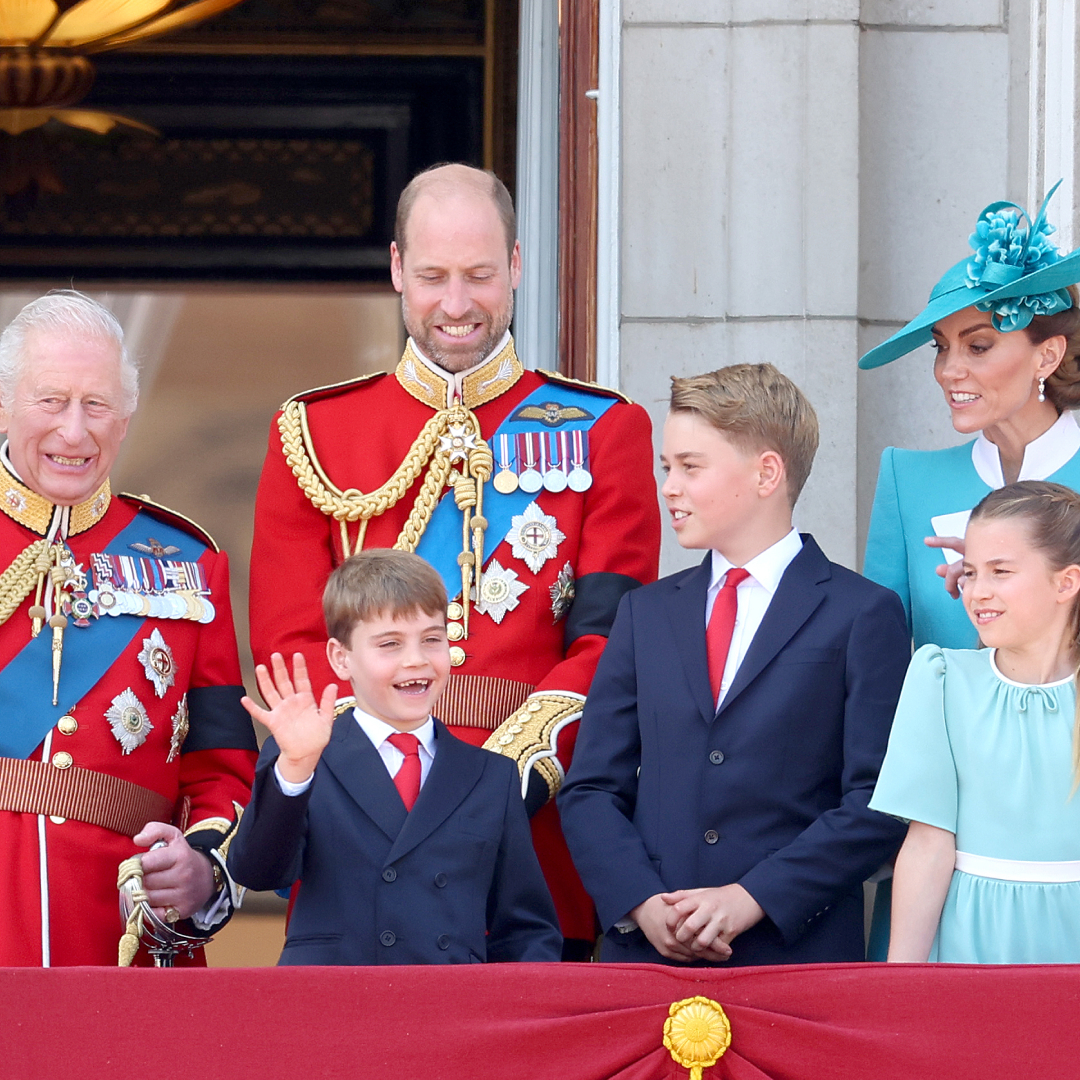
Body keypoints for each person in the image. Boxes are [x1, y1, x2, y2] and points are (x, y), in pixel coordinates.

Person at [249, 163, 660, 956]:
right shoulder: (312, 433)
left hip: (531, 820)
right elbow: (291, 649)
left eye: (478, 275)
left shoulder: (606, 428)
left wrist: (492, 786)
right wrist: (385, 779)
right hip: (359, 827)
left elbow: (609, 645)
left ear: (515, 264)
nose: (457, 304)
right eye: (433, 276)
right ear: (398, 269)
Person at [558, 364, 909, 966]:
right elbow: (590, 788)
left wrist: (753, 898)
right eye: (667, 467)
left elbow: (877, 800)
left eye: (690, 467)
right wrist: (641, 902)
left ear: (767, 472)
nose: (669, 486)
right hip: (648, 956)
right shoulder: (644, 614)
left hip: (795, 954)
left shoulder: (862, 614)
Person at [0, 291, 257, 966]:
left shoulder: (188, 564)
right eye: (51, 401)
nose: (75, 432)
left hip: (122, 947)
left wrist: (202, 866)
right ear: (4, 403)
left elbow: (223, 774)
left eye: (97, 405)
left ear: (126, 417)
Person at [228, 549, 562, 964]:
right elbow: (257, 872)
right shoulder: (304, 755)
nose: (416, 659)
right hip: (332, 1007)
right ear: (340, 658)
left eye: (432, 639)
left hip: (451, 1011)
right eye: (390, 644)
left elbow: (525, 929)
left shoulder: (490, 775)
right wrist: (296, 768)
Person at [861, 182, 1080, 652]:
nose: (948, 370)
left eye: (978, 346)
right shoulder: (908, 481)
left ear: (1047, 357)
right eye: (941, 347)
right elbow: (879, 663)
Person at [871, 481, 1080, 963]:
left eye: (1000, 572)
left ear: (1065, 583)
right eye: (970, 573)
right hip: (972, 947)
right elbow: (927, 847)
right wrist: (903, 983)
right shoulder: (942, 681)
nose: (978, 591)